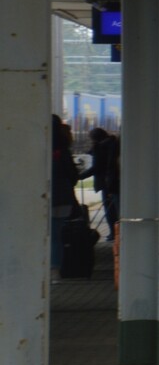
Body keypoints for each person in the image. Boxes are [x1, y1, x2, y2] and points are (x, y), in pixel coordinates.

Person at [50, 115, 80, 275]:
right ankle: (54, 270)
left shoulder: (34, 147)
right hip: (63, 199)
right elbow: (73, 176)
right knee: (56, 236)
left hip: (40, 200)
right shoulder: (63, 150)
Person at [79, 127, 121, 241]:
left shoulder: (100, 148)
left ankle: (113, 233)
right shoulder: (112, 144)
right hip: (113, 181)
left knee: (109, 210)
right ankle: (116, 233)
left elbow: (96, 167)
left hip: (106, 182)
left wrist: (80, 176)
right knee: (115, 208)